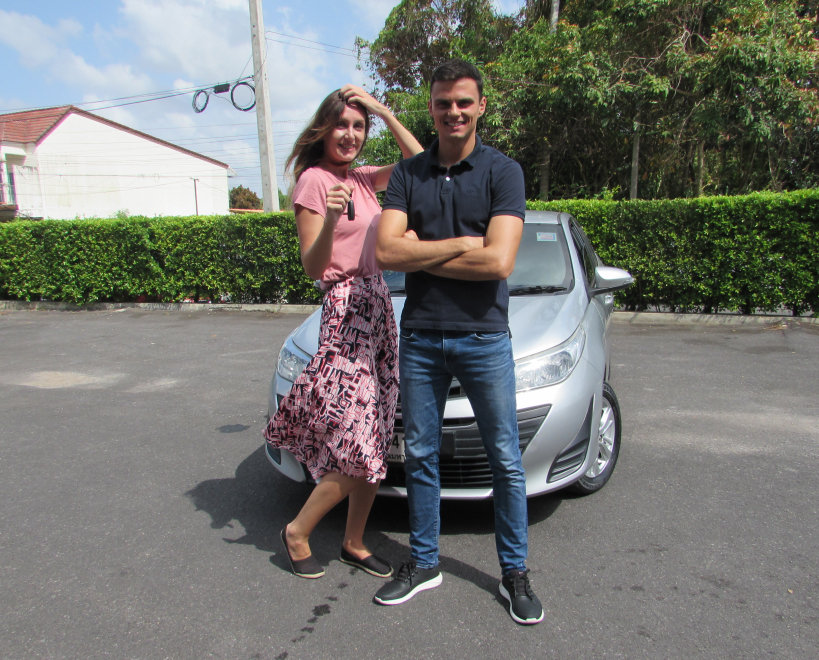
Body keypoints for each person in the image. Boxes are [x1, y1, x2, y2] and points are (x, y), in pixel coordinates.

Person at [372, 60, 544, 625]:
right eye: (443, 102)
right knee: (420, 454)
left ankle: (514, 571)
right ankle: (424, 563)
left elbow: (499, 261)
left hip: (483, 337)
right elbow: (387, 254)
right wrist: (463, 243)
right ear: (432, 108)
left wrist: (428, 246)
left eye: (463, 102)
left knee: (504, 460)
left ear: (480, 107)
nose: (453, 112)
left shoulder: (504, 172)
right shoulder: (407, 175)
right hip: (420, 336)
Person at [264, 85, 423, 580]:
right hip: (345, 306)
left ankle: (354, 541)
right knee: (356, 439)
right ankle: (298, 530)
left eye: (359, 126)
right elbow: (314, 266)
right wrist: (331, 218)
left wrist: (382, 110)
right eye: (343, 125)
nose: (351, 134)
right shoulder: (314, 181)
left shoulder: (361, 180)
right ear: (324, 129)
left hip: (378, 305)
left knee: (374, 434)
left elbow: (420, 162)